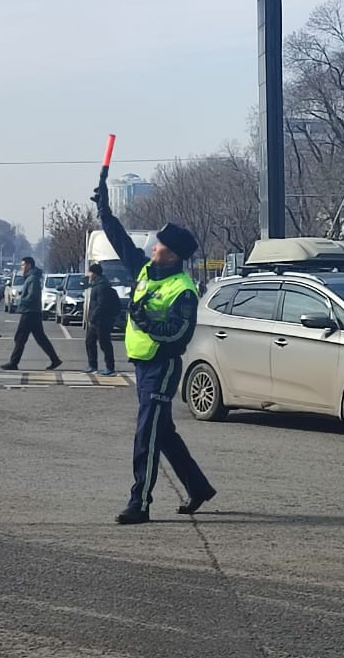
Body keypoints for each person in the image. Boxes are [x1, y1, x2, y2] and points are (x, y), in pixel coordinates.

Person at [93, 182, 215, 525]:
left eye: (159, 244)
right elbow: (120, 241)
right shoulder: (147, 270)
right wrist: (104, 210)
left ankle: (140, 503)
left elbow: (178, 334)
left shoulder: (183, 290)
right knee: (163, 432)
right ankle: (198, 486)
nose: (154, 247)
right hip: (143, 366)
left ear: (172, 254)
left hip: (162, 367)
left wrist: (145, 322)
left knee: (147, 433)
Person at [0, 256, 62, 371]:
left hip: (30, 312)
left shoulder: (32, 279)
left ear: (29, 265)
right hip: (33, 312)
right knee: (40, 338)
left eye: (23, 265)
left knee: (20, 338)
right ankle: (54, 359)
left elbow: (32, 296)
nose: (21, 267)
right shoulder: (31, 278)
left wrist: (21, 300)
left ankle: (14, 362)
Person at [83, 262, 119, 376]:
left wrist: (92, 318)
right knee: (89, 342)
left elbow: (101, 305)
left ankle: (110, 367)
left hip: (101, 321)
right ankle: (92, 365)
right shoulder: (96, 285)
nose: (89, 275)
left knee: (105, 344)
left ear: (94, 274)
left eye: (90, 272)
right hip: (95, 321)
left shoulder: (102, 287)